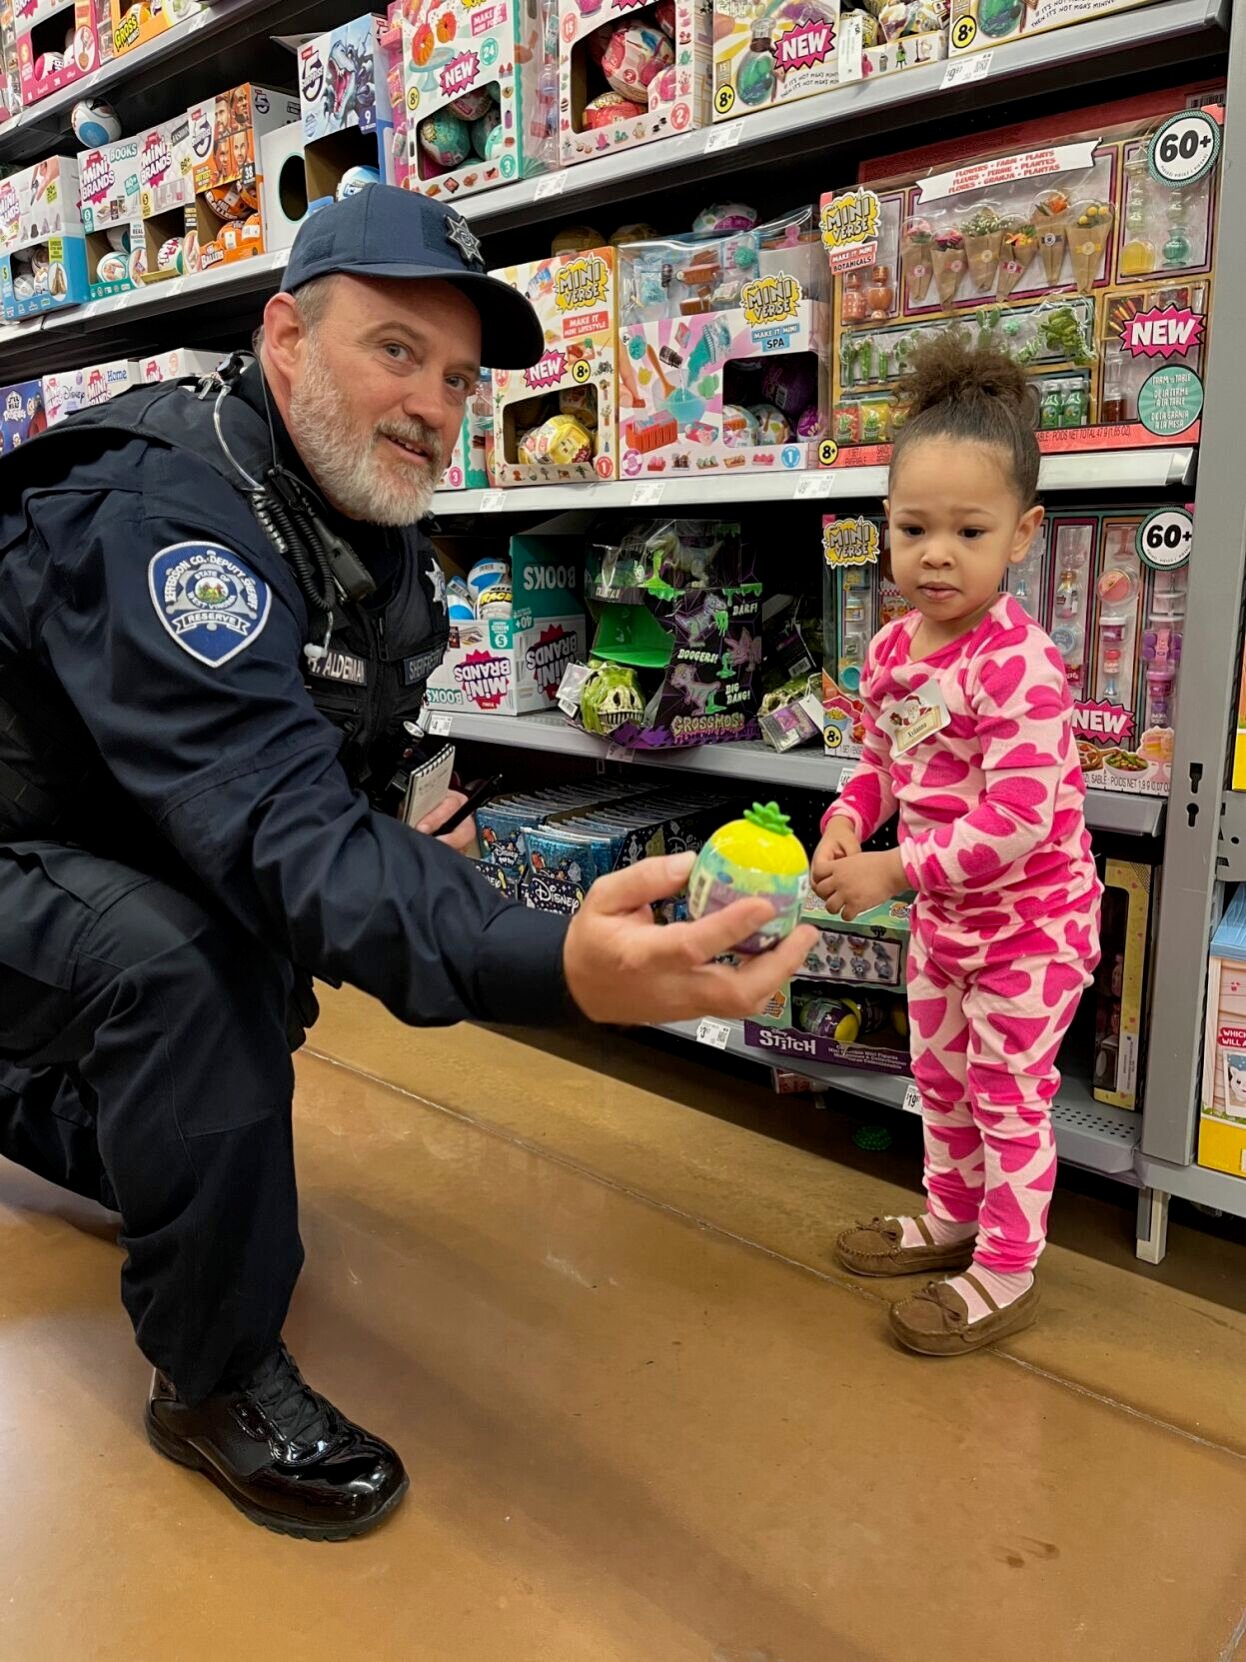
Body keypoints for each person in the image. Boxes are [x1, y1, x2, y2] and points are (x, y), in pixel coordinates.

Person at [0, 186, 815, 1540]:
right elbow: (274, 828)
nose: (432, 405)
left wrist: (391, 837)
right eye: (393, 349)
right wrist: (539, 953)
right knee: (190, 969)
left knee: (248, 960)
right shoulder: (168, 518)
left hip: (86, 826)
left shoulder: (353, 520)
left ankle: (53, 1117)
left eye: (453, 377)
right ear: (282, 335)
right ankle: (209, 1381)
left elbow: (325, 775)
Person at [812, 335, 1100, 1357]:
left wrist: (891, 868)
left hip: (1032, 927)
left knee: (1008, 1095)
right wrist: (848, 820)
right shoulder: (892, 650)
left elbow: (1019, 823)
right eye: (911, 527)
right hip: (945, 920)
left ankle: (1008, 1266)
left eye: (966, 530)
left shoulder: (1020, 668)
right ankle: (950, 1217)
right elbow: (878, 763)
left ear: (1021, 534)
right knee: (937, 1079)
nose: (934, 553)